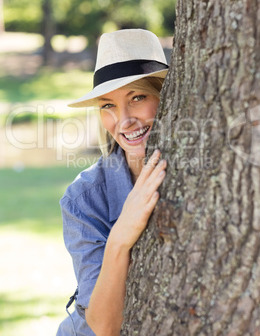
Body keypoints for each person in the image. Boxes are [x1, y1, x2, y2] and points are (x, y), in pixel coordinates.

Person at [56, 29, 168, 336]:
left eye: (137, 97)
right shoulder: (83, 198)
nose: (123, 120)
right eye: (108, 105)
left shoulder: (201, 175)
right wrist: (121, 237)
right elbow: (104, 327)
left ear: (167, 96)